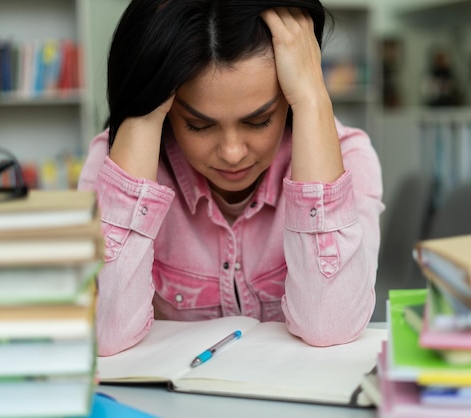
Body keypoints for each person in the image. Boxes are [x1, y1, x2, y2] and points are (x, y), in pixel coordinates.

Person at [78, 0, 384, 356]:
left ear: (288, 100)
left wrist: (314, 97)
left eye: (258, 121)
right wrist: (142, 111)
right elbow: (105, 334)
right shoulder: (111, 161)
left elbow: (330, 325)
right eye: (199, 124)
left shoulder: (348, 157)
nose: (232, 152)